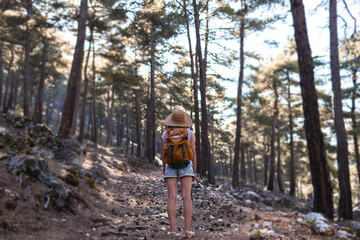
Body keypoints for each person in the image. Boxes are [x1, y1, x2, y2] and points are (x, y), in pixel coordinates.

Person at [162, 108, 197, 239]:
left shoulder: (166, 133)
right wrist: (194, 170)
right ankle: (187, 231)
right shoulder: (189, 132)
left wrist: (164, 172)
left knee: (172, 197)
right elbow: (193, 152)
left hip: (170, 166)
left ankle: (172, 231)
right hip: (186, 165)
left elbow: (164, 155)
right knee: (186, 196)